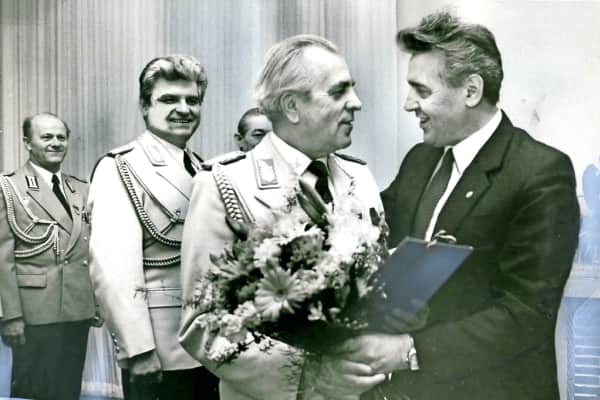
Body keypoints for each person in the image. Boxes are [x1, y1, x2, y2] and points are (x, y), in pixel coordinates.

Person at [364, 11, 580, 399]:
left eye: (421, 90)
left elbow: (525, 313)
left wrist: (406, 351)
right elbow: (372, 236)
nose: (408, 104)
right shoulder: (420, 160)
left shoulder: (540, 172)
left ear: (471, 90)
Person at [179, 34, 388, 400]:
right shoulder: (225, 184)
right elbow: (202, 325)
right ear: (292, 106)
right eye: (339, 92)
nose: (356, 102)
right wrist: (312, 375)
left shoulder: (360, 177)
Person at [88, 55, 219, 400]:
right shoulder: (121, 166)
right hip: (162, 350)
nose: (183, 109)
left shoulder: (201, 167)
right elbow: (113, 270)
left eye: (192, 100)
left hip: (209, 345)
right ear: (145, 107)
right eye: (169, 99)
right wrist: (138, 350)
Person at [0, 112, 96, 400]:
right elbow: (2, 259)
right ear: (27, 143)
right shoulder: (10, 188)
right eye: (46, 137)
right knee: (34, 393)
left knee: (68, 391)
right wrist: (10, 317)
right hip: (34, 313)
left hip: (77, 309)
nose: (56, 143)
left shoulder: (81, 189)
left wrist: (97, 304)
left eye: (61, 137)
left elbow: (90, 251)